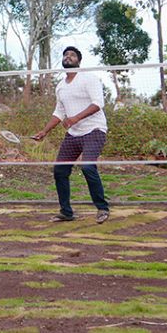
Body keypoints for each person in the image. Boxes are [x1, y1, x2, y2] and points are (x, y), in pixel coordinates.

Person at [31, 45, 110, 223]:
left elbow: (98, 103)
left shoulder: (89, 78)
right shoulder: (60, 86)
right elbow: (59, 112)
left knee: (88, 166)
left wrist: (75, 118)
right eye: (65, 55)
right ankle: (66, 212)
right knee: (60, 170)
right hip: (73, 134)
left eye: (72, 55)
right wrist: (44, 131)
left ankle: (102, 208)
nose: (68, 57)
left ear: (79, 61)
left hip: (94, 130)